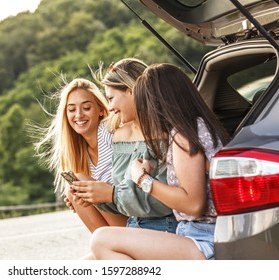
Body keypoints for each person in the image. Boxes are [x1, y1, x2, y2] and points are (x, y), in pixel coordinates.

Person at [88, 63, 230, 260]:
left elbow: (194, 204)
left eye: (144, 100)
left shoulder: (185, 135)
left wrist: (143, 179)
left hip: (203, 239)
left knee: (101, 240)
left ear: (158, 100)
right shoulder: (195, 127)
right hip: (195, 233)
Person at [71, 58, 178, 233]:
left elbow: (168, 202)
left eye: (111, 98)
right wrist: (97, 198)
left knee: (101, 243)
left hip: (165, 227)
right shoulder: (120, 135)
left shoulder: (165, 135)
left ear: (131, 91)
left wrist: (111, 194)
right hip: (133, 226)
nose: (110, 107)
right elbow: (124, 201)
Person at [34, 77, 128, 233]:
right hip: (118, 220)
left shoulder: (108, 131)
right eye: (71, 109)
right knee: (74, 189)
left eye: (86, 107)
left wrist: (94, 192)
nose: (79, 115)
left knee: (79, 182)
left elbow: (131, 185)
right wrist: (80, 200)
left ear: (100, 110)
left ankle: (116, 247)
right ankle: (111, 248)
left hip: (137, 219)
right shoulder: (79, 153)